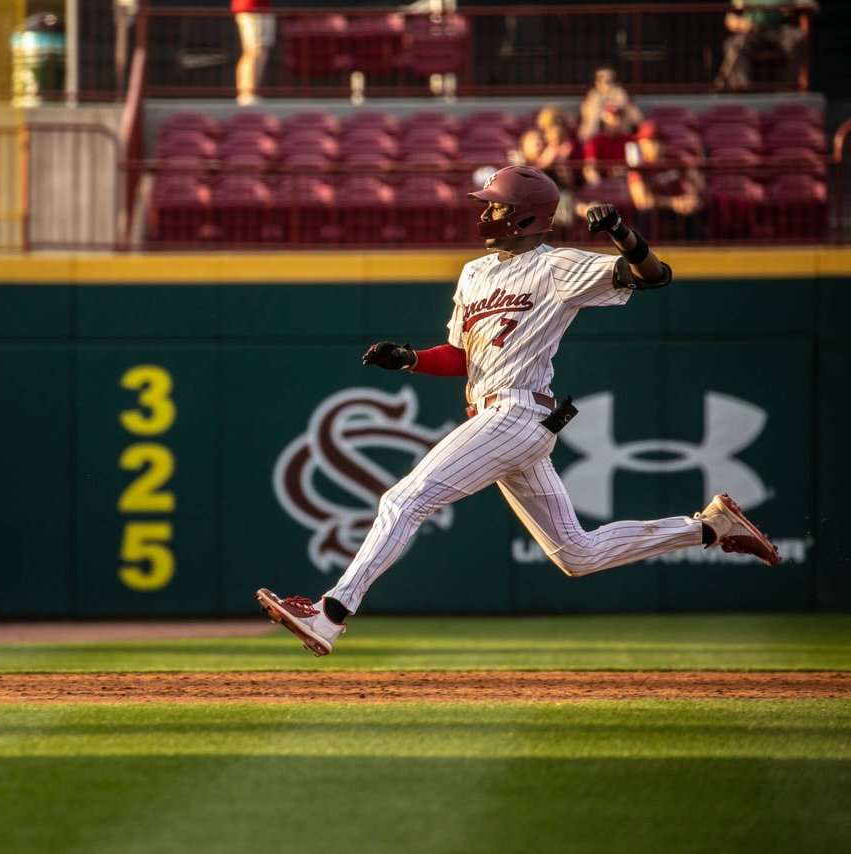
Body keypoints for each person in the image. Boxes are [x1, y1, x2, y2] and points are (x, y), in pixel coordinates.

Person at [256, 166, 780, 657]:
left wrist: (621, 232)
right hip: (504, 419)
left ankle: (330, 612)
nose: (484, 214)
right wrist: (412, 360)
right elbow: (462, 358)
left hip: (517, 413)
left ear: (525, 215)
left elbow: (653, 275)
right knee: (575, 555)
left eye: (495, 206)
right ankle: (709, 527)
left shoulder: (556, 266)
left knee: (404, 499)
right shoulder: (475, 272)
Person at [626, 120, 705, 240]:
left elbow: (696, 180)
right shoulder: (638, 168)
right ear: (641, 143)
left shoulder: (675, 158)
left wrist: (692, 197)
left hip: (681, 208)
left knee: (696, 210)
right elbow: (642, 201)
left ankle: (696, 251)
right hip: (657, 211)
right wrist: (674, 203)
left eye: (658, 141)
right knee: (645, 214)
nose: (655, 146)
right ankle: (645, 254)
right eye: (650, 141)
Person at [715, 0, 817, 90]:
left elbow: (811, 5)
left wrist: (794, 6)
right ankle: (742, 89)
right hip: (752, 31)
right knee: (731, 44)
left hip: (779, 29)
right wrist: (743, 25)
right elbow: (729, 19)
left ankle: (789, 85)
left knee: (798, 38)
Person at [578, 66, 641, 142]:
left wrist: (622, 105)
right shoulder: (592, 96)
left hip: (620, 138)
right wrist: (600, 108)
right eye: (599, 80)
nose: (602, 83)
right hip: (596, 139)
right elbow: (588, 122)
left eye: (608, 81)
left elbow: (638, 120)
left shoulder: (621, 95)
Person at [233, 0, 276, 105]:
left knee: (256, 50)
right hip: (253, 9)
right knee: (256, 49)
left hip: (258, 9)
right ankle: (247, 94)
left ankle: (247, 94)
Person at [582, 104, 633, 185]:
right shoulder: (595, 141)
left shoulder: (629, 140)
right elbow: (590, 168)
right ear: (604, 120)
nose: (617, 122)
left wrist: (625, 171)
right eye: (612, 118)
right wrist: (599, 186)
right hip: (603, 182)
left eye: (619, 118)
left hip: (626, 182)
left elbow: (634, 166)